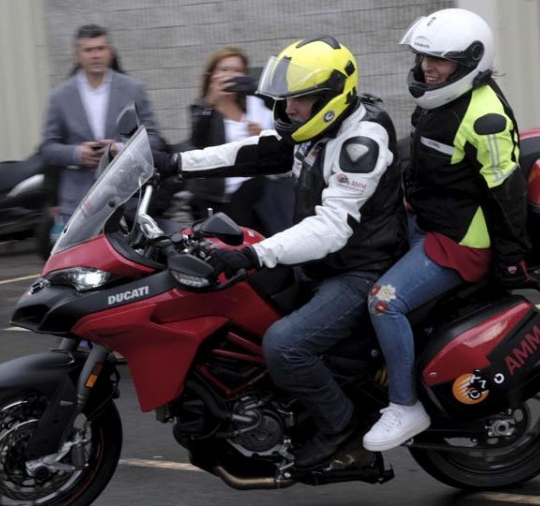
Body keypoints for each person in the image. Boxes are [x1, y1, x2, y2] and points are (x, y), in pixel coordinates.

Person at [154, 36, 407, 469]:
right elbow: (248, 152)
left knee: (285, 345)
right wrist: (174, 164)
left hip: (360, 268)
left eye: (298, 101)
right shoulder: (316, 127)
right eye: (285, 100)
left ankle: (342, 429)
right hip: (325, 262)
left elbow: (332, 227)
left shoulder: (360, 142)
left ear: (330, 99)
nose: (288, 109)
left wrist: (255, 255)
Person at [361, 8, 531, 452]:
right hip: (425, 219)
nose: (426, 67)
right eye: (422, 57)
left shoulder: (485, 119)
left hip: (458, 241)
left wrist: (512, 257)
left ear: (472, 59)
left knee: (384, 303)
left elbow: (507, 192)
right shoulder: (440, 99)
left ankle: (405, 405)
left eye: (440, 60)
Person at [41, 24, 164, 231]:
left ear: (111, 52)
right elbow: (47, 148)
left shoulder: (133, 89)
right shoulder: (60, 97)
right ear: (77, 55)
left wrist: (120, 149)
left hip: (124, 198)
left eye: (100, 48)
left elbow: (153, 138)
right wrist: (77, 154)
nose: (95, 55)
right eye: (88, 50)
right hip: (78, 202)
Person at [187, 46, 291, 235]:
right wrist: (209, 104)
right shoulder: (202, 107)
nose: (230, 76)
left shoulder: (255, 103)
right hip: (219, 198)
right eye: (224, 70)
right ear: (212, 75)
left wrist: (262, 135)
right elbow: (198, 142)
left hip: (257, 196)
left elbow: (281, 138)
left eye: (237, 71)